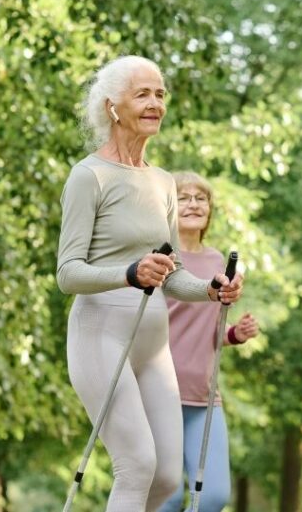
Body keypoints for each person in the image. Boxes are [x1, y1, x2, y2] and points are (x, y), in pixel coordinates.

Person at [57, 55, 245, 511]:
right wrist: (128, 273)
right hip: (100, 334)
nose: (155, 103)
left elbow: (173, 273)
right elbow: (67, 273)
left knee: (164, 478)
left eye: (160, 94)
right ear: (112, 107)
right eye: (143, 93)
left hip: (152, 341)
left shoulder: (162, 183)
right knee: (137, 464)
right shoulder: (90, 176)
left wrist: (210, 288)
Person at [157, 171, 260, 512]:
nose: (193, 204)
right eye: (184, 198)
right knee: (167, 497)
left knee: (213, 496)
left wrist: (235, 335)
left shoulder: (218, 262)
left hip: (205, 395)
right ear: (170, 207)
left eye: (201, 198)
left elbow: (211, 330)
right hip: (160, 391)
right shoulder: (160, 258)